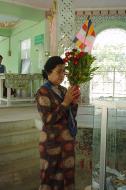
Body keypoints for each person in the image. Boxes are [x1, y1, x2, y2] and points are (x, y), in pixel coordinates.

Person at [36, 56, 80, 190]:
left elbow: (69, 115)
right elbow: (48, 120)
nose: (62, 75)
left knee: (66, 176)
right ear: (49, 72)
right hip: (52, 142)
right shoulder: (43, 91)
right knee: (50, 176)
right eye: (59, 71)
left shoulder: (62, 90)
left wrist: (74, 103)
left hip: (66, 141)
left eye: (64, 71)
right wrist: (66, 103)